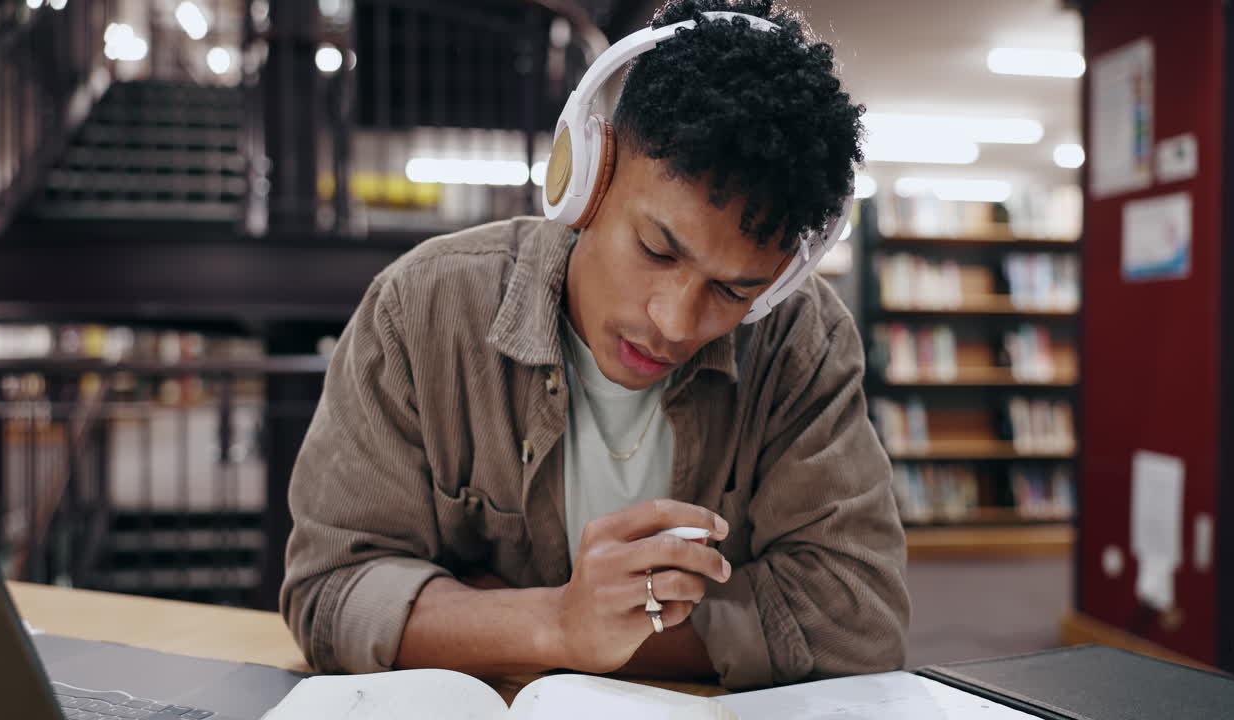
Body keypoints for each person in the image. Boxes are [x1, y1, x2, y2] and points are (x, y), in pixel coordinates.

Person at [280, 0, 909, 690]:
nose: (675, 321)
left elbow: (855, 621)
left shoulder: (799, 339)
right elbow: (330, 593)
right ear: (587, 178)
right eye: (656, 249)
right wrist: (557, 622)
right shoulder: (422, 309)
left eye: (732, 292)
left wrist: (494, 617)